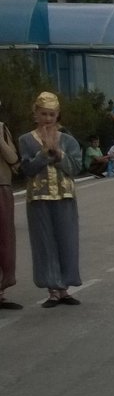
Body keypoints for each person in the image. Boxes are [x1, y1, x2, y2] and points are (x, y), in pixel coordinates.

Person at [17, 92, 84, 307]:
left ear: (57, 115)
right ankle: (52, 289)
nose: (48, 118)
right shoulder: (26, 140)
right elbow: (26, 169)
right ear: (36, 114)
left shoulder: (68, 140)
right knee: (44, 243)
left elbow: (75, 168)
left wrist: (60, 155)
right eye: (44, 114)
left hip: (64, 195)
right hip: (39, 198)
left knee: (67, 240)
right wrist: (44, 154)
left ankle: (64, 288)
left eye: (52, 114)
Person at [0, 106, 21, 309]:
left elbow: (13, 158)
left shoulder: (1, 128)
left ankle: (2, 290)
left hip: (1, 186)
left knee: (4, 237)